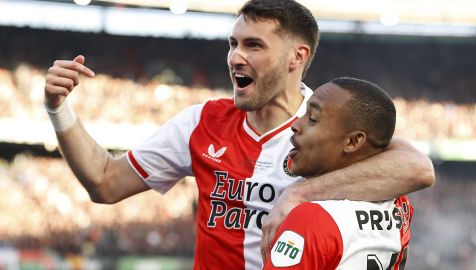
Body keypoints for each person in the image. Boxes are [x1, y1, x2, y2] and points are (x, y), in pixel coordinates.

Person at [43, 0, 433, 269]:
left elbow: (416, 168)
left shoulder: (331, 129)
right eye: (233, 44)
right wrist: (58, 109)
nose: (235, 57)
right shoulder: (202, 122)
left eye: (253, 45)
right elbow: (105, 182)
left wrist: (301, 192)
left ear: (297, 56)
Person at [263, 77, 413, 270]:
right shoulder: (399, 202)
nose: (295, 125)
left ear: (352, 142)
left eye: (312, 119)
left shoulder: (311, 220)